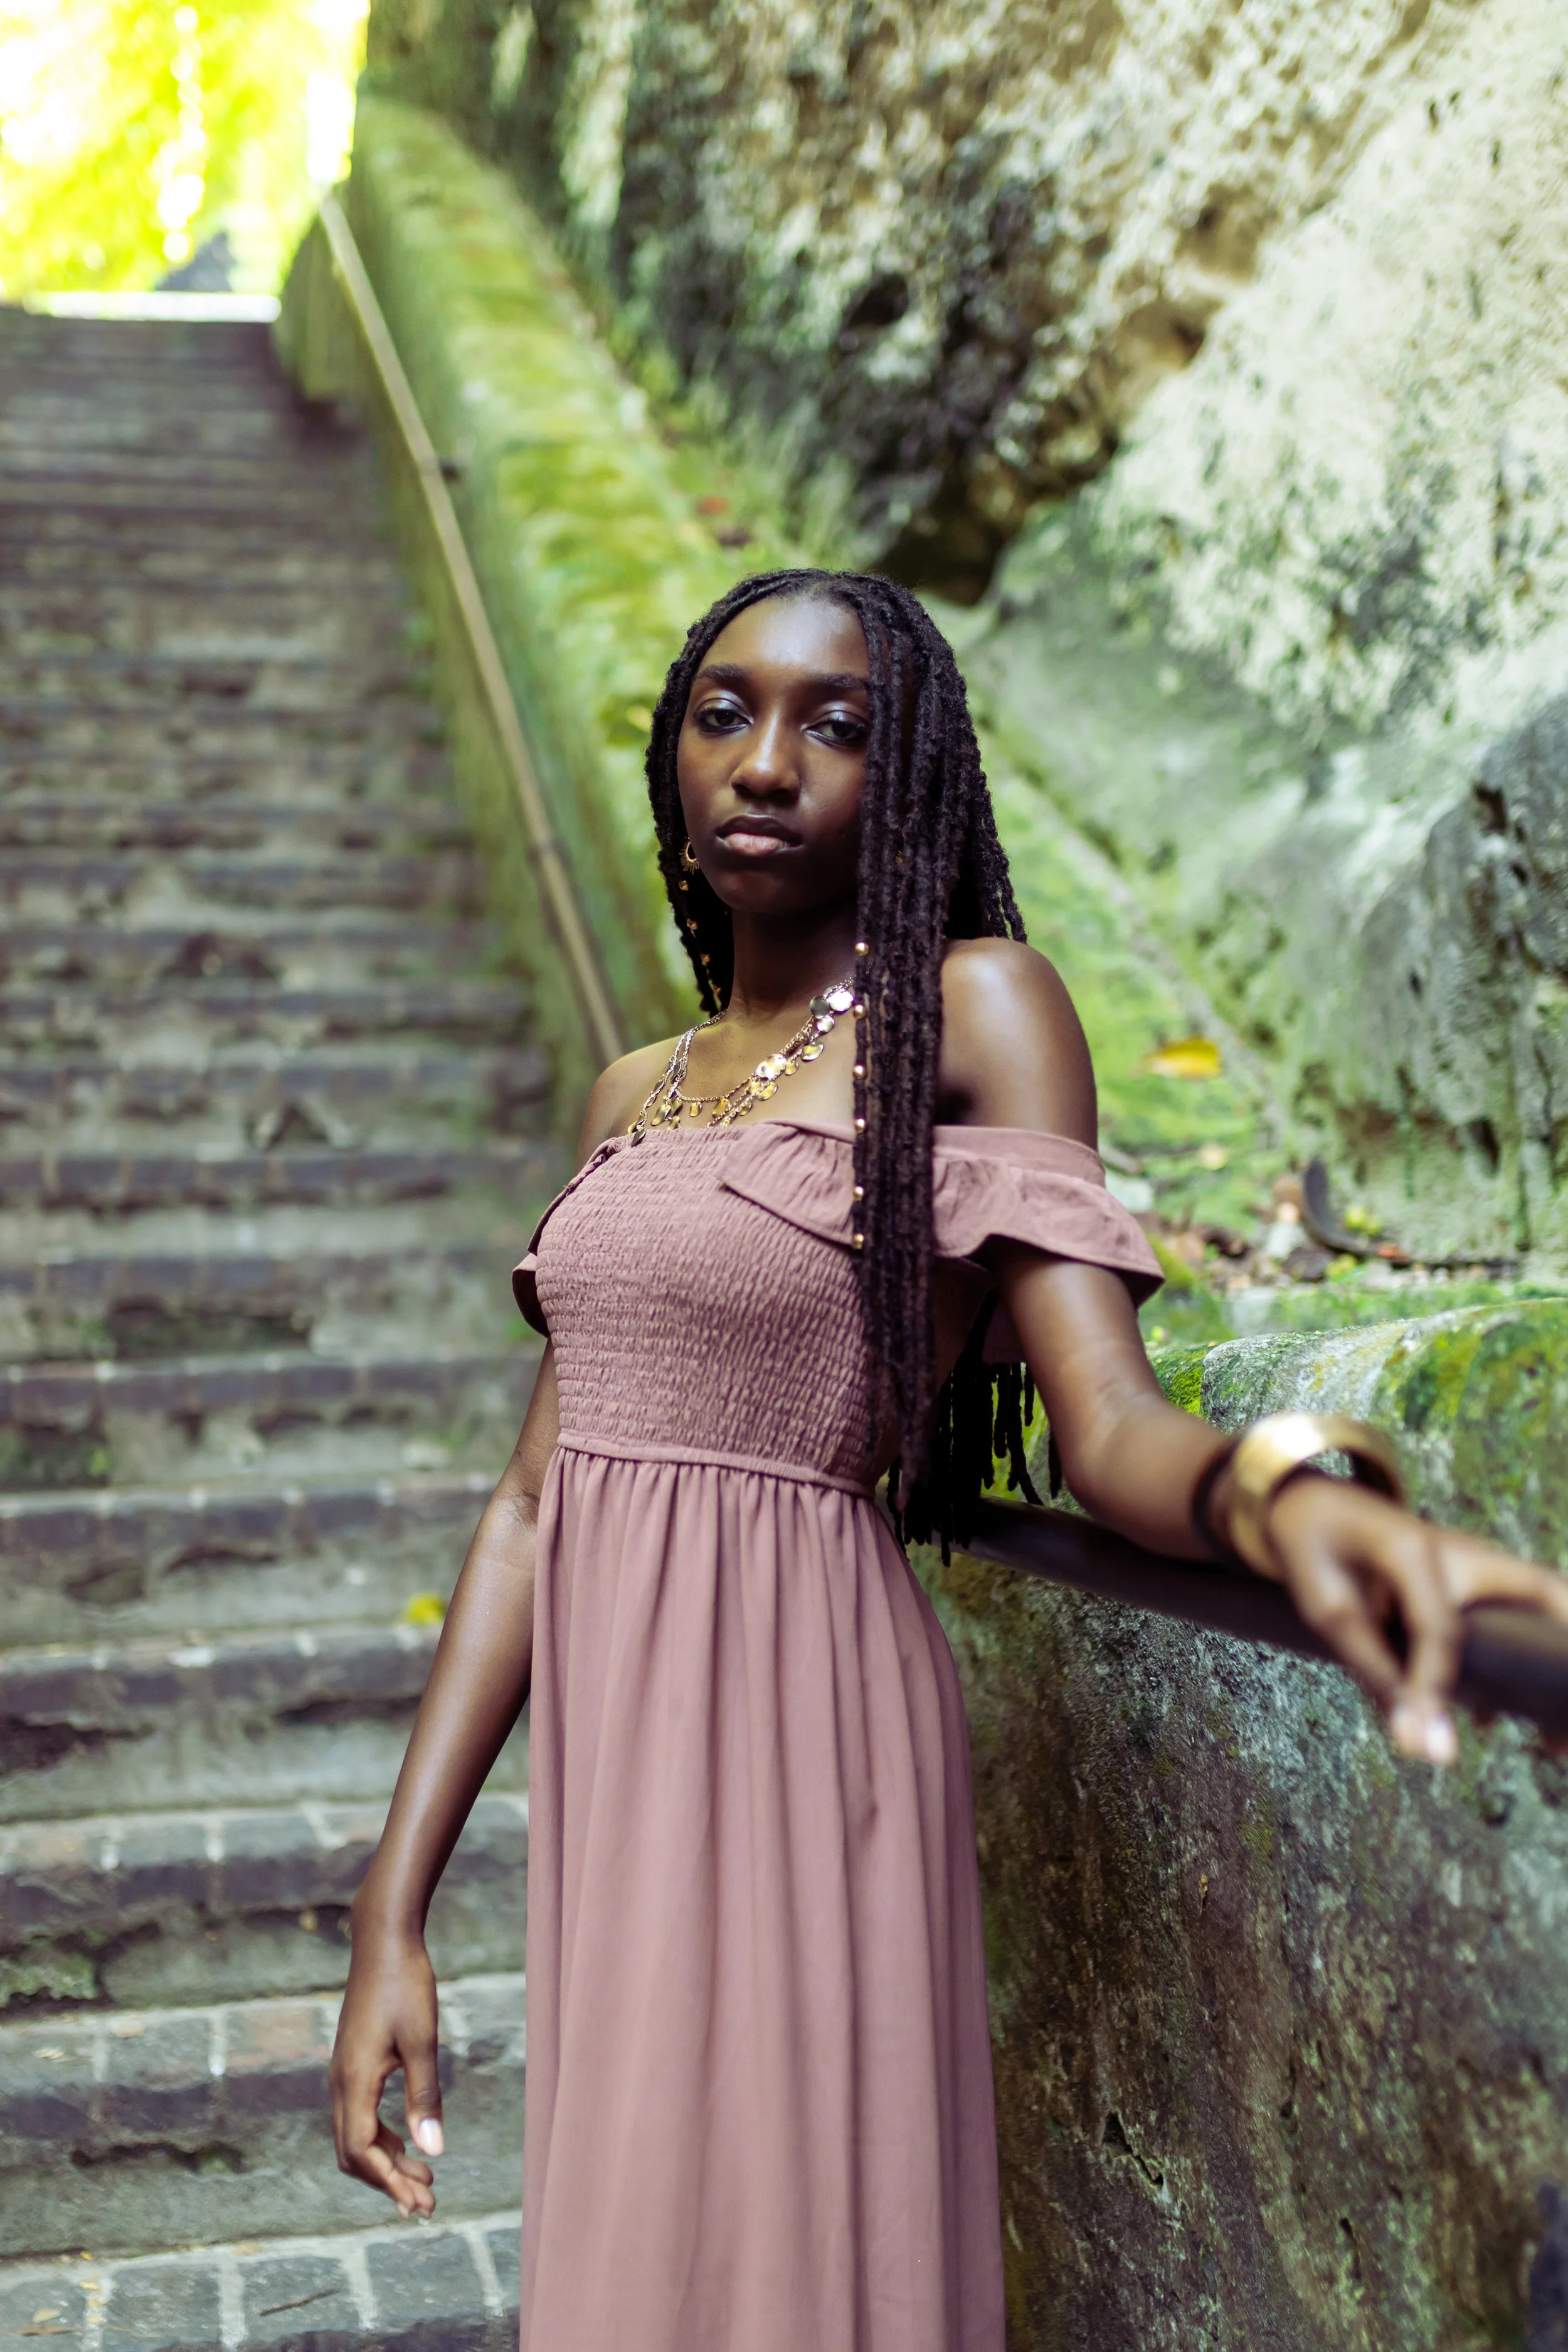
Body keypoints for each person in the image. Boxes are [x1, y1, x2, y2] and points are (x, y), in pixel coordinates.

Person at [330, 569, 1568, 2351]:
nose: (766, 762)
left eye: (838, 725)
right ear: (673, 764)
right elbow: (534, 1500)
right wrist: (394, 1910)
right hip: (620, 1754)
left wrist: (1296, 1493)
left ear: (905, 787)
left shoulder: (973, 1011)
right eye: (723, 711)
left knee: (792, 2257)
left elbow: (1112, 1423)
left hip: (804, 1719)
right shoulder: (631, 1088)